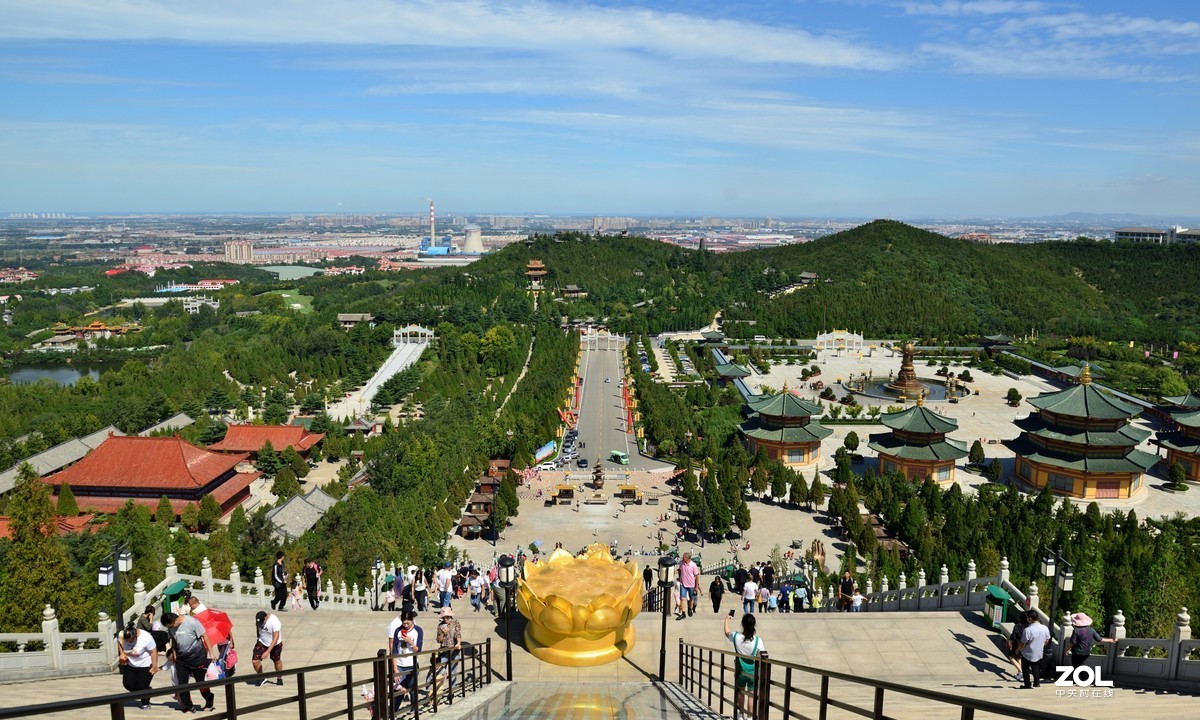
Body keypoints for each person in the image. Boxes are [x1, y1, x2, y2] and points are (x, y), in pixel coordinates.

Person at [162, 611, 216, 713]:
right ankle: (188, 706)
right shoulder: (170, 627)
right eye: (169, 627)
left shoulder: (192, 622)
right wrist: (174, 653)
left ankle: (209, 699)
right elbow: (173, 640)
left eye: (172, 625)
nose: (171, 628)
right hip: (181, 660)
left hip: (197, 658)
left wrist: (211, 653)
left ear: (176, 619)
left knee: (201, 683)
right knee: (182, 684)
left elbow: (205, 636)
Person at [725, 612, 766, 720]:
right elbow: (763, 654)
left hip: (740, 670)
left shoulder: (736, 637)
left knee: (740, 692)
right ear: (754, 625)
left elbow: (726, 632)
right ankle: (750, 716)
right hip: (753, 671)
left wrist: (726, 620)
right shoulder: (758, 640)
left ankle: (740, 714)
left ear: (742, 625)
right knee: (751, 695)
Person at [118, 619, 159, 710]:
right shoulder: (121, 635)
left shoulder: (146, 637)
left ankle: (145, 703)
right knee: (128, 684)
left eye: (131, 640)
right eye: (127, 640)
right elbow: (120, 644)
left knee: (142, 686)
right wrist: (122, 654)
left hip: (145, 664)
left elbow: (153, 652)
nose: (129, 642)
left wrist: (154, 666)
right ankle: (147, 691)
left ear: (135, 635)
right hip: (131, 664)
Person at [391, 610, 424, 708]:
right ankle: (394, 711)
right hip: (400, 665)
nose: (405, 625)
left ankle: (414, 709)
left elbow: (418, 650)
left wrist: (410, 642)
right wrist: (395, 669)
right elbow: (394, 651)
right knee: (398, 690)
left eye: (408, 623)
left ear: (412, 620)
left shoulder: (418, 630)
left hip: (412, 664)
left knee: (412, 689)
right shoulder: (397, 630)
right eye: (403, 622)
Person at [428, 606, 462, 691]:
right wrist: (442, 633)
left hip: (454, 651)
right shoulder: (440, 626)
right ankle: (438, 691)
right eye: (444, 617)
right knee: (440, 672)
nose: (445, 619)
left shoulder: (455, 623)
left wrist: (458, 643)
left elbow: (458, 634)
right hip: (444, 651)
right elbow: (438, 640)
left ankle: (452, 690)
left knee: (452, 672)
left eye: (447, 617)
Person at [1016, 610, 1050, 689]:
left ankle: (1027, 684)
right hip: (1038, 652)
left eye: (1027, 618)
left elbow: (1023, 643)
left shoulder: (1028, 630)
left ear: (1030, 619)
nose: (1027, 619)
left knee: (1025, 669)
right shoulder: (1045, 628)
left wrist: (1018, 649)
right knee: (1035, 667)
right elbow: (1047, 640)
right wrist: (1041, 645)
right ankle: (1036, 682)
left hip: (1028, 652)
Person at [250, 610, 284, 686]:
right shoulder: (259, 619)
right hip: (262, 642)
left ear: (266, 617)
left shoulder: (274, 621)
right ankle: (261, 677)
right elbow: (257, 627)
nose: (261, 624)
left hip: (275, 643)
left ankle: (279, 678)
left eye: (262, 621)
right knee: (255, 661)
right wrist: (258, 637)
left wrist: (267, 652)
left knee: (277, 661)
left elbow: (276, 637)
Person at [677, 552, 699, 619]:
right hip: (683, 584)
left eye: (684, 557)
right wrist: (677, 571)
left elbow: (697, 576)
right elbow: (680, 569)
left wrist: (696, 586)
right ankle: (683, 613)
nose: (683, 558)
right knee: (682, 598)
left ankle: (690, 608)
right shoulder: (681, 563)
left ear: (688, 558)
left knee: (691, 598)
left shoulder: (693, 565)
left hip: (691, 585)